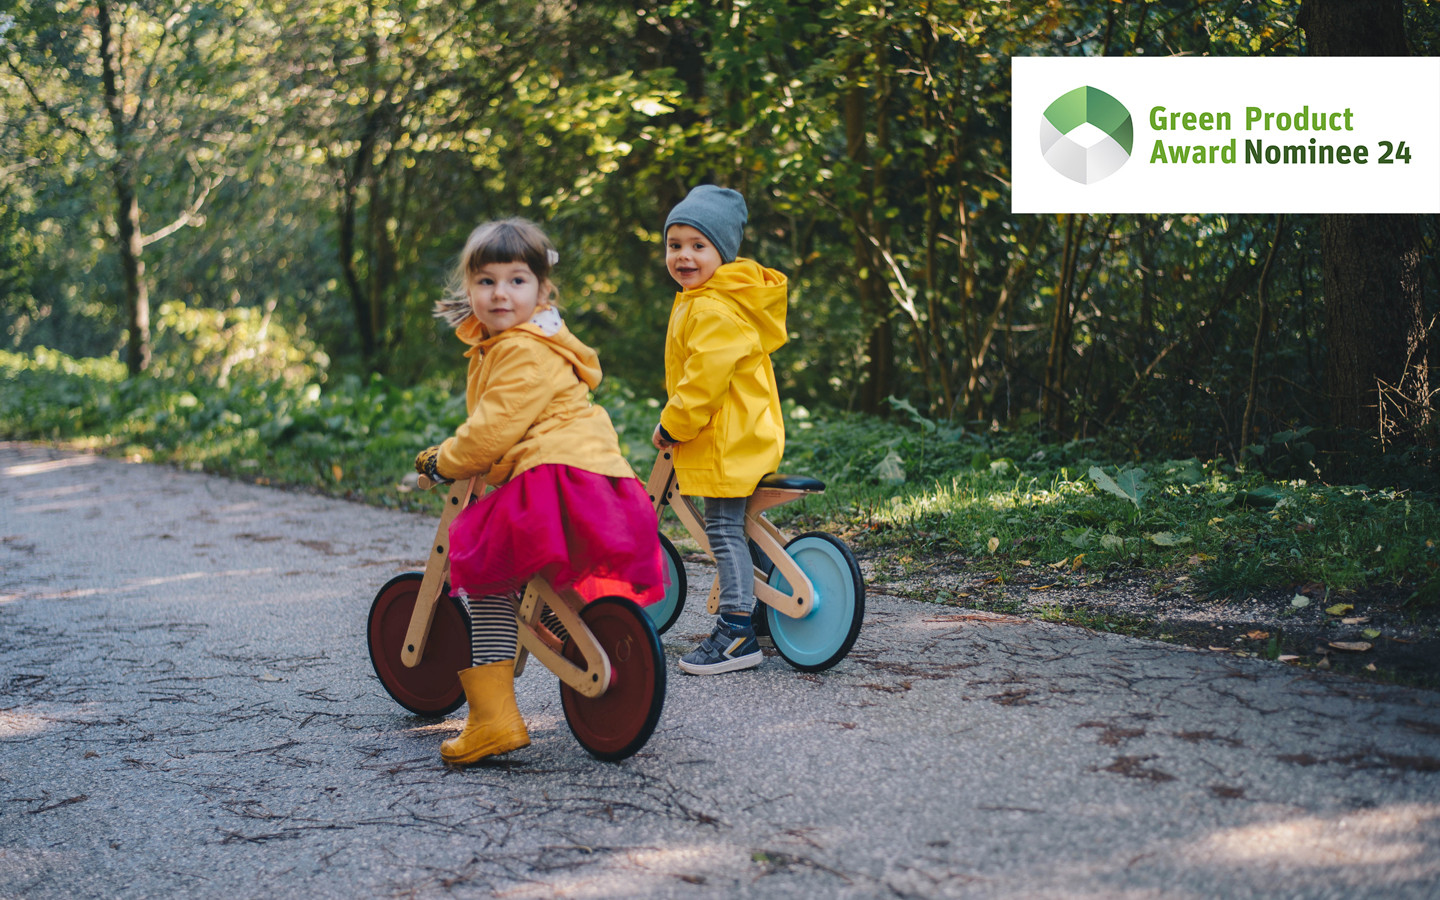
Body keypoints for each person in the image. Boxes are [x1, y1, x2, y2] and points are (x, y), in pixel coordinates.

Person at [415, 217, 664, 765]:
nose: (500, 292)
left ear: (542, 289)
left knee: (483, 572)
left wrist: (443, 462)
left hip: (555, 479)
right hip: (593, 476)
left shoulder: (523, 350)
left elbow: (488, 434)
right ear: (469, 289)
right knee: (545, 577)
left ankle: (492, 721)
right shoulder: (532, 340)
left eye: (517, 280)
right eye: (486, 281)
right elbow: (507, 423)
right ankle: (578, 639)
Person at [650, 185, 788, 676]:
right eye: (675, 244)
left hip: (727, 442)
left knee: (723, 529)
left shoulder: (711, 308)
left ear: (722, 253)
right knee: (738, 526)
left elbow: (702, 384)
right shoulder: (709, 298)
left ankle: (736, 632)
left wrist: (673, 423)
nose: (684, 255)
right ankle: (766, 604)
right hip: (742, 437)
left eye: (697, 245)